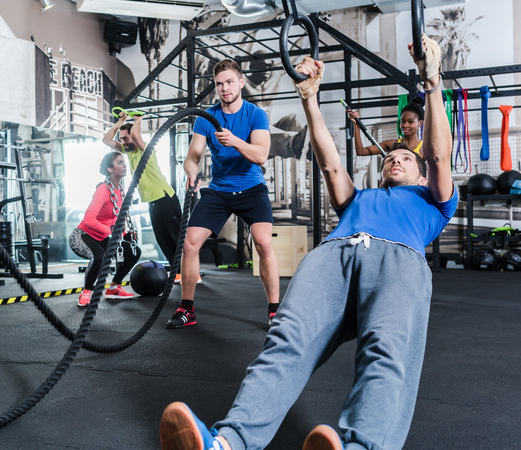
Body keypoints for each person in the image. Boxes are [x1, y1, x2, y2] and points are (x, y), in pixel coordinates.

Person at [159, 34, 456, 450]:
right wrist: (309, 99)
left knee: (384, 353)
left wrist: (432, 83)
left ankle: (360, 446)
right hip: (335, 254)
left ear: (422, 176)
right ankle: (228, 443)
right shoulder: (359, 198)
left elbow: (439, 157)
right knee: (284, 341)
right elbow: (331, 162)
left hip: (398, 261)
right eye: (392, 157)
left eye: (406, 158)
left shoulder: (434, 201)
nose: (395, 158)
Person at [166, 58, 280, 330]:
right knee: (190, 243)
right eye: (219, 84)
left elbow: (262, 155)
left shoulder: (256, 114)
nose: (224, 88)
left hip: (252, 187)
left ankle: (275, 311)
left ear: (241, 82)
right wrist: (191, 170)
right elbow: (192, 156)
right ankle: (188, 309)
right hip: (218, 189)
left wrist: (236, 141)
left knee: (263, 242)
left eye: (230, 82)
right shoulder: (208, 117)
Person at [102, 110, 182, 271]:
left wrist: (138, 119)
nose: (123, 141)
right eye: (121, 138)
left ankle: (190, 272)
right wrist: (120, 122)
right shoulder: (128, 152)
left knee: (175, 238)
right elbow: (106, 140)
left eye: (125, 138)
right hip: (152, 201)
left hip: (164, 197)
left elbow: (137, 137)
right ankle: (177, 271)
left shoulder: (146, 149)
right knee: (163, 239)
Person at [68, 151, 141, 307]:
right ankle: (86, 291)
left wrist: (125, 234)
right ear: (110, 169)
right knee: (99, 257)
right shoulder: (103, 189)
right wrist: (112, 233)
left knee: (134, 252)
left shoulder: (121, 191)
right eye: (119, 162)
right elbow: (88, 219)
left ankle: (114, 287)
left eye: (124, 162)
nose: (124, 165)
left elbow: (114, 219)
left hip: (103, 238)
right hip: (83, 236)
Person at [347, 99, 425, 156]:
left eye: (410, 122)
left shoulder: (424, 148)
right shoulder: (392, 144)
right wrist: (356, 124)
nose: (405, 125)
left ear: (420, 123)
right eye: (402, 121)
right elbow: (361, 151)